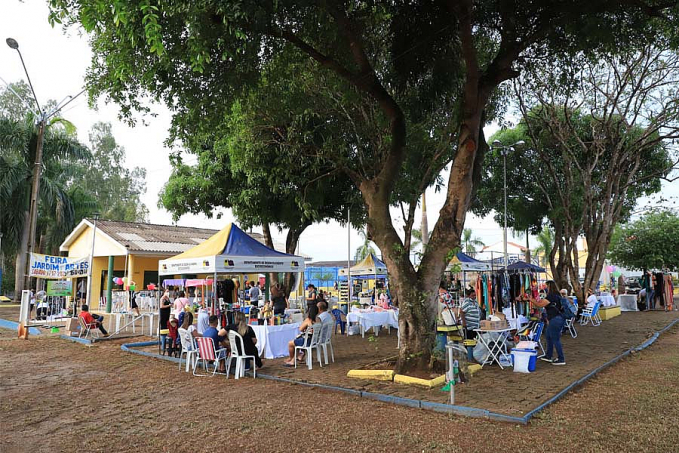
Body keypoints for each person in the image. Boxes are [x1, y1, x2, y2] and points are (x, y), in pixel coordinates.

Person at [530, 281, 566, 366]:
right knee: (548, 336)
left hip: (556, 319)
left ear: (549, 287)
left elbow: (540, 304)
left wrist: (530, 299)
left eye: (546, 286)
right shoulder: (557, 296)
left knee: (555, 338)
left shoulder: (551, 296)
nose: (544, 288)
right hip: (556, 318)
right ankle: (548, 356)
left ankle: (561, 359)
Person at [159, 289, 172, 354]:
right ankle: (163, 346)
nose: (168, 292)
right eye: (167, 291)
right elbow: (161, 306)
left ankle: (165, 344)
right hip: (163, 315)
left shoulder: (167, 298)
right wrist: (169, 305)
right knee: (163, 329)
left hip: (167, 315)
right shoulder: (162, 299)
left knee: (167, 327)